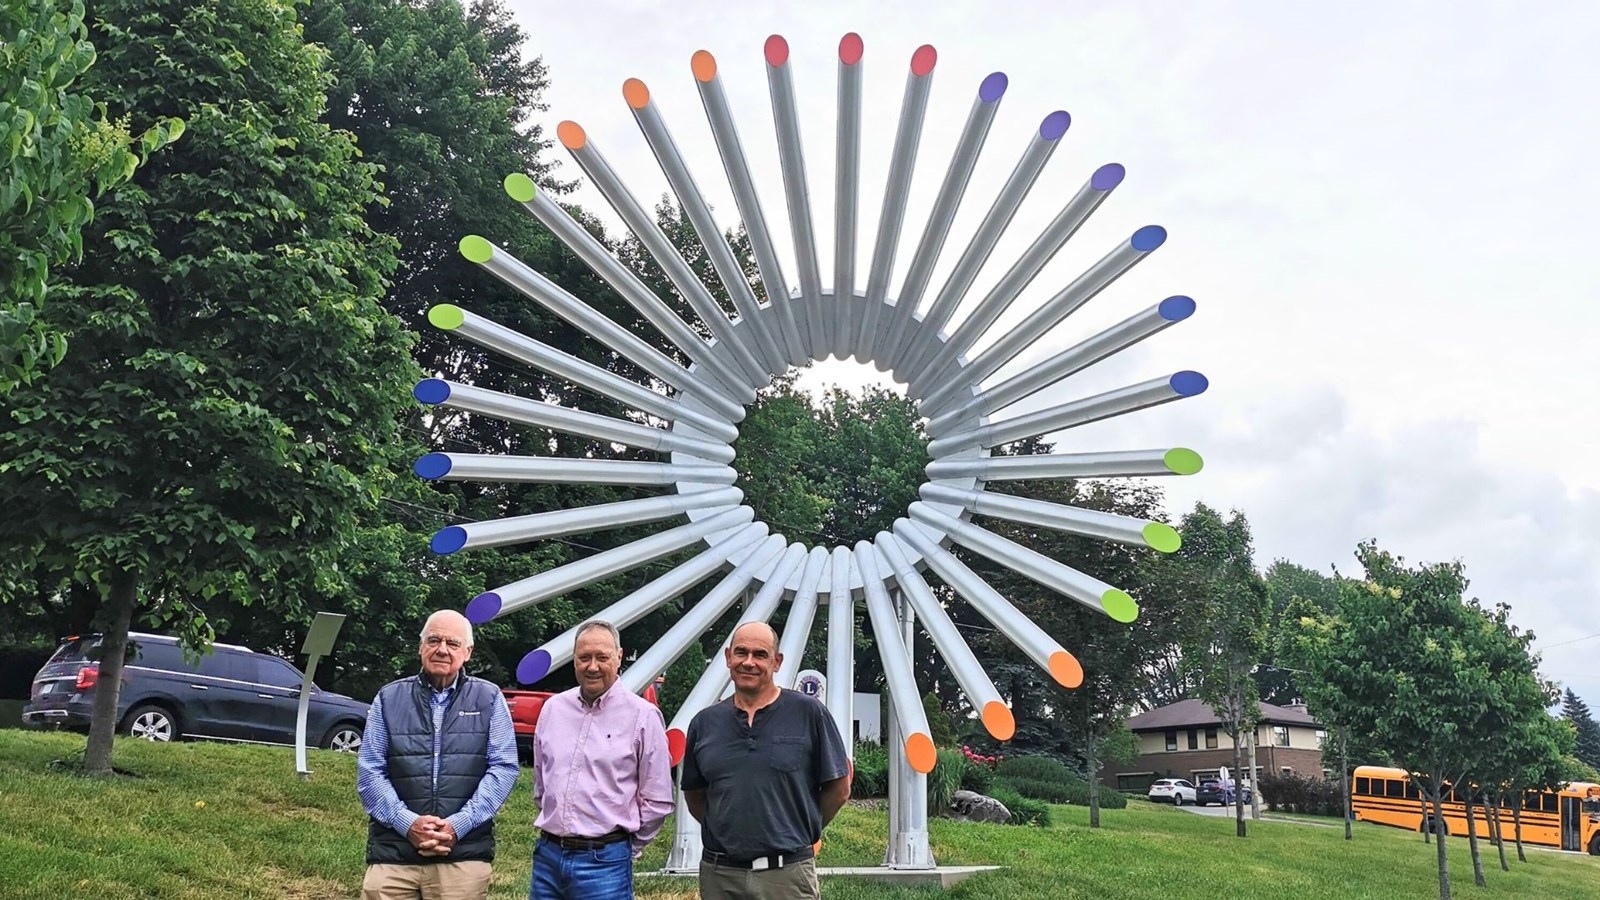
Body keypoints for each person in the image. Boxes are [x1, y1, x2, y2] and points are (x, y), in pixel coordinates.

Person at [681, 622, 851, 900]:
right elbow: (695, 794)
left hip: (787, 875)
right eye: (741, 653)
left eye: (760, 654)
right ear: (728, 658)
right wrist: (727, 831)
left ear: (777, 662)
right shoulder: (704, 723)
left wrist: (797, 829)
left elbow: (839, 789)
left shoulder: (808, 714)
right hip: (720, 875)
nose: (749, 662)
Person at [357, 610, 518, 900]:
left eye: (453, 643)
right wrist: (408, 824)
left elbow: (503, 768)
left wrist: (458, 826)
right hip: (394, 854)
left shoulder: (490, 698)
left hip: (462, 855)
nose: (442, 649)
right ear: (421, 647)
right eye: (434, 640)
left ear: (467, 652)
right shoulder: (389, 698)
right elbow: (371, 771)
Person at [530, 620, 673, 899]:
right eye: (584, 657)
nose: (592, 666)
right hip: (548, 857)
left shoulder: (643, 716)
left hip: (605, 862)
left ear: (619, 657)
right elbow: (541, 783)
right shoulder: (553, 710)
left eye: (602, 657)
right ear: (574, 660)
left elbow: (657, 799)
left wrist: (621, 848)